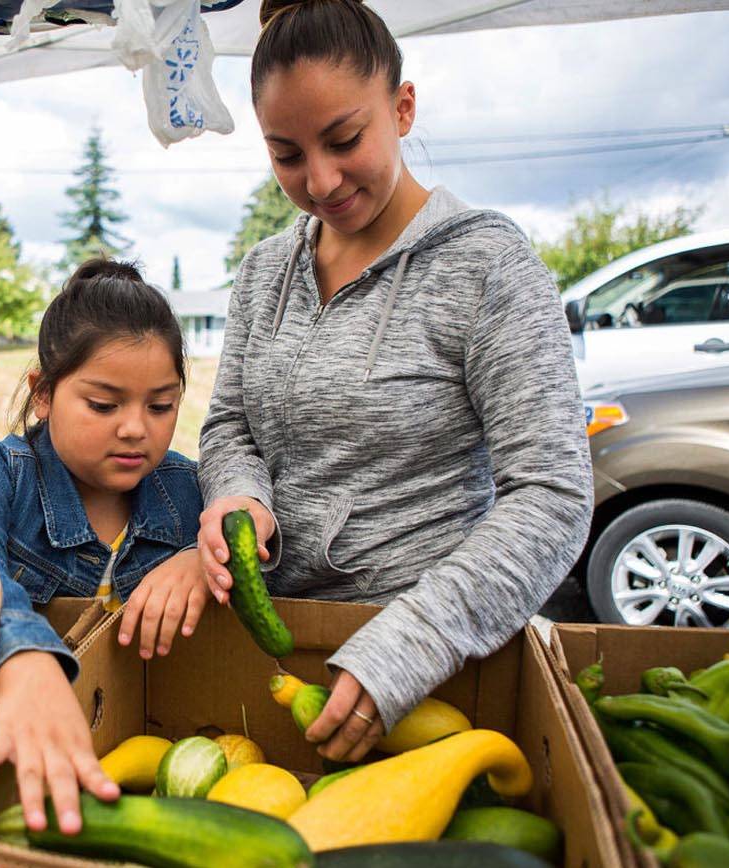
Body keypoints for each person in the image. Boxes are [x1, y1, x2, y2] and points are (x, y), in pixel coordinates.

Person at [197, 0, 594, 765]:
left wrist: (411, 646)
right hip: (278, 653)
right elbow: (230, 426)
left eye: (345, 139)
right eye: (286, 155)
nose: (320, 180)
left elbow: (552, 493)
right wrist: (239, 495)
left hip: (441, 673)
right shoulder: (262, 274)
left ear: (403, 107)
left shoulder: (488, 267)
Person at [0, 259, 209, 835]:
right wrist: (22, 657)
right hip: (10, 742)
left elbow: (256, 543)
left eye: (161, 406)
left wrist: (202, 558)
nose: (136, 428)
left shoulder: (190, 491)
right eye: (104, 405)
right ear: (43, 394)